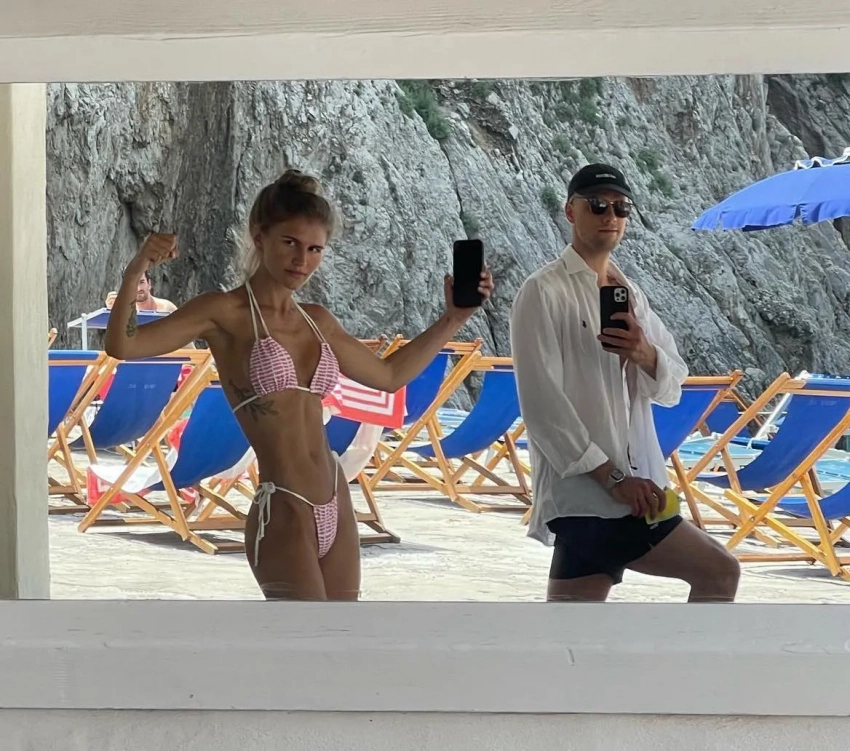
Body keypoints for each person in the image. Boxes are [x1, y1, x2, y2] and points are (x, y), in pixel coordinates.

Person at [104, 169, 494, 601]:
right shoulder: (224, 312)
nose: (301, 260)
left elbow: (389, 377)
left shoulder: (317, 320)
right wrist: (136, 270)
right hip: (283, 503)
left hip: (335, 496)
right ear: (259, 237)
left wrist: (453, 319)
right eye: (289, 243)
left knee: (342, 636)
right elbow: (123, 344)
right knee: (304, 639)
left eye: (314, 249)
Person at [510, 163, 740, 603]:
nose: (610, 215)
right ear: (570, 212)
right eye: (597, 205)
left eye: (621, 207)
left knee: (572, 624)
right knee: (719, 572)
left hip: (629, 491)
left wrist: (643, 352)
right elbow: (543, 408)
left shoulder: (629, 293)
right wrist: (615, 479)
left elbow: (671, 386)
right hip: (595, 496)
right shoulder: (543, 291)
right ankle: (693, 659)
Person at [105, 268, 178, 313]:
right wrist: (111, 312)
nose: (138, 288)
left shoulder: (166, 308)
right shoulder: (124, 313)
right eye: (133, 284)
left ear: (149, 284)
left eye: (142, 282)